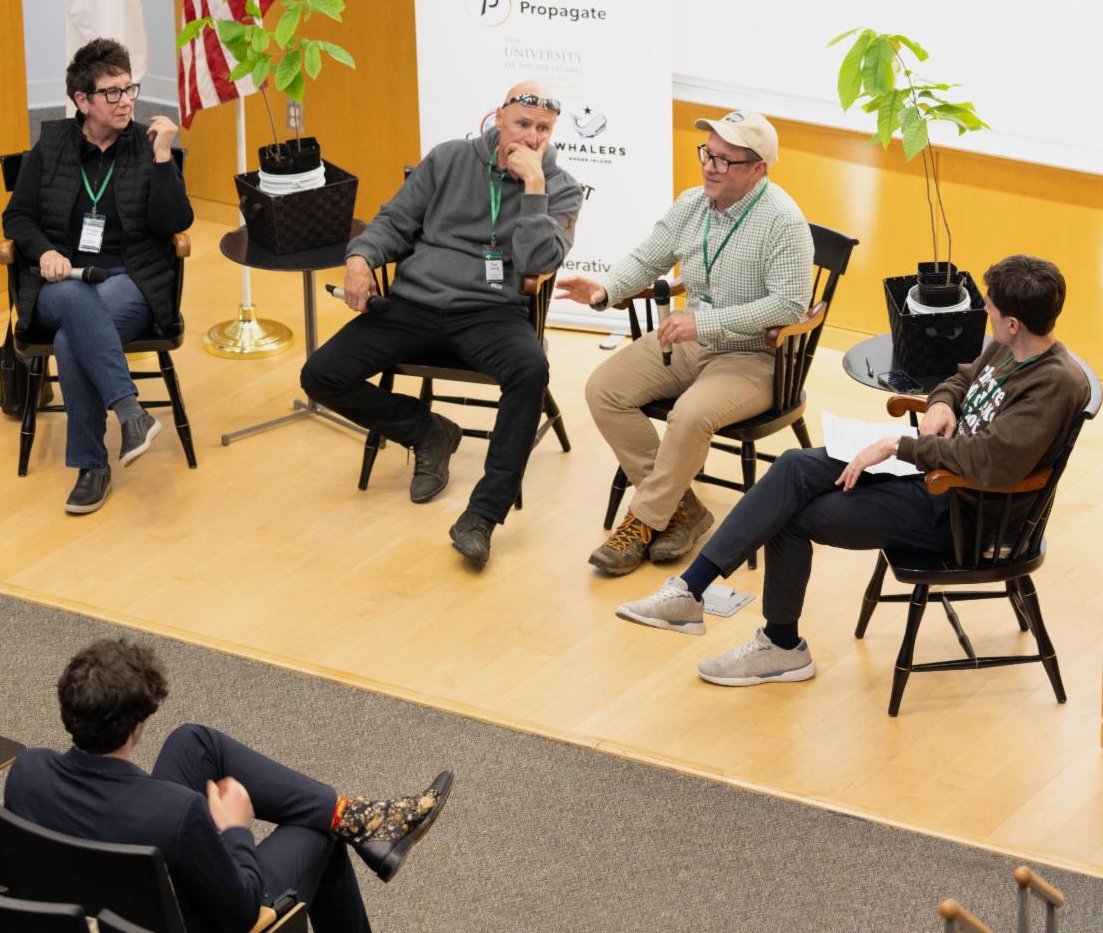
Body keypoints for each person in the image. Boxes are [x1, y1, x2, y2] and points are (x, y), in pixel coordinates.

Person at [615, 254, 1091, 687]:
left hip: (962, 511)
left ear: (1013, 323)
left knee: (789, 517)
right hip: (935, 476)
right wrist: (943, 403)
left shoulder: (1054, 384)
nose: (984, 311)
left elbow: (994, 464)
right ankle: (689, 591)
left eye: (990, 308)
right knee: (793, 466)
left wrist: (901, 446)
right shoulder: (1011, 347)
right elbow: (964, 376)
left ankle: (781, 646)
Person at [302, 84, 582, 568]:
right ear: (499, 118)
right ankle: (427, 430)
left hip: (490, 313)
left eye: (543, 129)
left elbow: (539, 262)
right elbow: (395, 220)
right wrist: (360, 258)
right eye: (522, 124)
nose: (531, 137)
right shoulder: (450, 158)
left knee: (531, 370)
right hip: (415, 303)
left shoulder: (560, 187)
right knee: (321, 374)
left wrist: (534, 189)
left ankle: (482, 516)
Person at [5, 638, 453, 933]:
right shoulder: (176, 813)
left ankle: (361, 820)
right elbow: (241, 912)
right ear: (139, 724)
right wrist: (235, 830)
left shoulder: (27, 772)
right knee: (320, 836)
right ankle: (357, 826)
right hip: (187, 920)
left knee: (194, 742)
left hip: (102, 902)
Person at [558, 110, 812, 576]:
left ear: (759, 169)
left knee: (690, 416)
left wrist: (704, 322)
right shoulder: (692, 204)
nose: (710, 167)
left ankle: (642, 521)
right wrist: (604, 289)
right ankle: (682, 510)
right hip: (692, 341)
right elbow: (646, 258)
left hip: (755, 355)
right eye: (707, 155)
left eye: (724, 160)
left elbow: (789, 307)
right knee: (604, 389)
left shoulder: (783, 222)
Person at [2, 39, 194, 515]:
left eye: (129, 88)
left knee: (72, 339)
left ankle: (92, 466)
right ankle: (130, 411)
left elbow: (174, 223)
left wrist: (164, 158)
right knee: (73, 306)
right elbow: (17, 217)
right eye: (112, 92)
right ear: (82, 100)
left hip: (130, 278)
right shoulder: (52, 147)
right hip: (60, 281)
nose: (126, 100)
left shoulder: (147, 145)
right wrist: (45, 252)